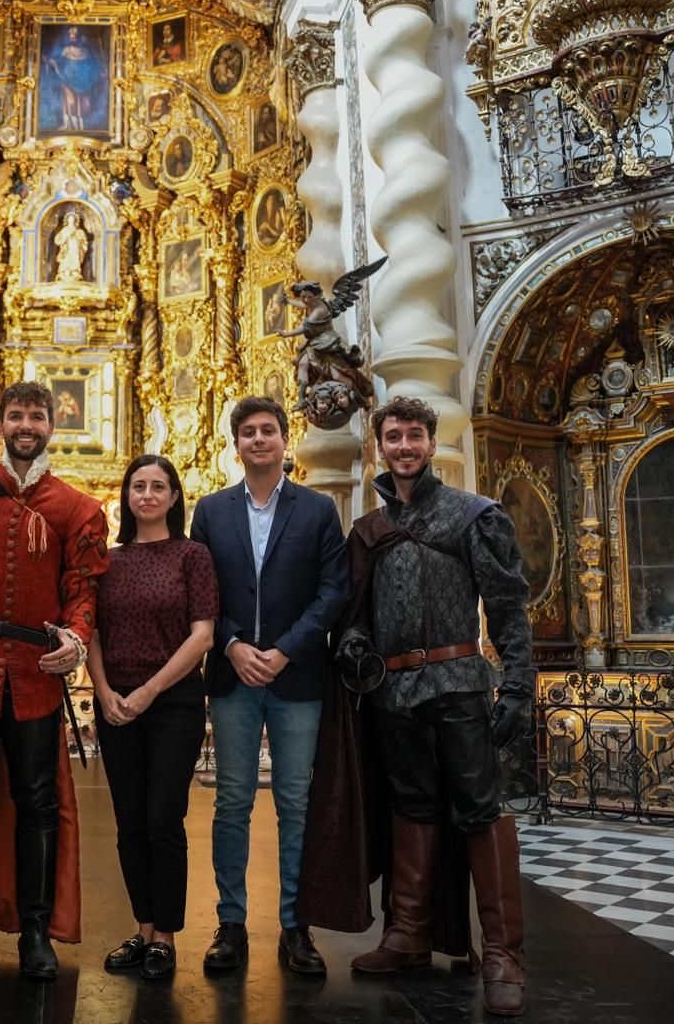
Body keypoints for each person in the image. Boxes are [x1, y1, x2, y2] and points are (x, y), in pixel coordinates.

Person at [298, 395, 534, 1017]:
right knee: (412, 806)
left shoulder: (473, 515)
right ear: (380, 446)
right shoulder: (368, 532)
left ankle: (503, 954)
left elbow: (508, 607)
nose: (403, 447)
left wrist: (517, 685)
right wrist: (353, 647)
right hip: (393, 694)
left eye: (413, 436)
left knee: (480, 811)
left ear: (431, 443)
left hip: (458, 684)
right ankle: (407, 934)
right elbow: (355, 617)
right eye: (393, 437)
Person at [0, 381, 110, 980]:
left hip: (34, 679)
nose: (25, 424)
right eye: (16, 415)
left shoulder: (77, 508)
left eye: (36, 415)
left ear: (51, 426)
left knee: (37, 804)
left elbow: (83, 590)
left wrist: (76, 639)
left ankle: (36, 929)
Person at [189, 395, 347, 977]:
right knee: (231, 801)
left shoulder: (317, 510)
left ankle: (295, 925)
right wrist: (231, 644)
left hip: (297, 674)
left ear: (285, 440)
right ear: (237, 444)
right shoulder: (211, 510)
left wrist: (284, 650)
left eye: (269, 431)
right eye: (248, 432)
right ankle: (230, 923)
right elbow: (202, 591)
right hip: (233, 675)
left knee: (296, 802)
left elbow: (333, 592)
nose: (259, 439)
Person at [88, 455, 216, 981]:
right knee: (129, 822)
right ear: (127, 496)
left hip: (173, 702)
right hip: (114, 701)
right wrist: (103, 691)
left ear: (173, 496)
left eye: (157, 486)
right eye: (138, 486)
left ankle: (165, 936)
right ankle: (142, 928)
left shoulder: (192, 555)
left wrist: (148, 691)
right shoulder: (108, 561)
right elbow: (92, 633)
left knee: (163, 819)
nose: (147, 494)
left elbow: (203, 634)